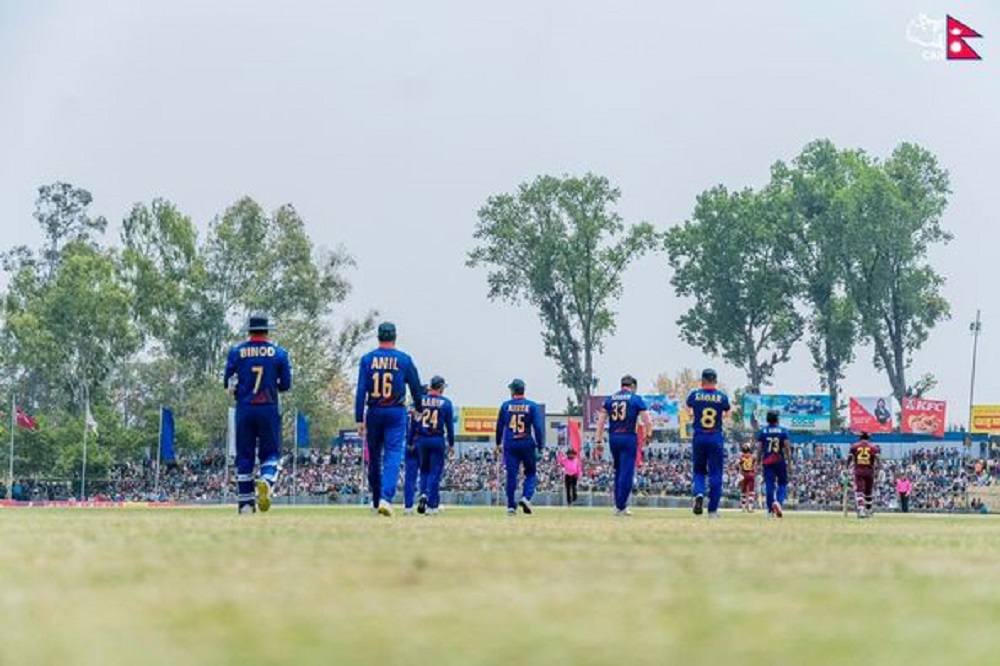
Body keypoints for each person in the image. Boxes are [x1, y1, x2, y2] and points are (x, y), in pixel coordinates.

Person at [223, 314, 292, 514]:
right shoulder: (279, 353)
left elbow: (227, 381)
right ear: (267, 331)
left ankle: (245, 504)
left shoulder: (236, 352)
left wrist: (238, 389)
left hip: (244, 408)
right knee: (271, 453)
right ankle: (267, 480)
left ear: (250, 331)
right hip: (268, 407)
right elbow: (286, 385)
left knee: (244, 456)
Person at [355, 322, 423, 517]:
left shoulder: (367, 359)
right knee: (393, 454)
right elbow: (416, 386)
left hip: (374, 410)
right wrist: (419, 407)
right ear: (395, 337)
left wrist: (359, 418)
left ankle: (376, 500)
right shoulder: (404, 359)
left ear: (378, 337)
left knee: (374, 457)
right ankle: (386, 498)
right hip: (395, 411)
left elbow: (361, 389)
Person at [596, 375, 653, 516]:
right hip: (628, 437)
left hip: (613, 437)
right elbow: (648, 420)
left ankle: (618, 504)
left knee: (618, 471)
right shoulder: (635, 399)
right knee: (627, 472)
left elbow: (601, 422)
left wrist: (598, 440)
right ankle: (621, 506)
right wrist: (648, 435)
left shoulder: (610, 399)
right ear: (632, 386)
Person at [686, 368, 731, 518]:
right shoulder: (722, 397)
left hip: (699, 436)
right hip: (715, 436)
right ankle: (712, 510)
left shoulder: (695, 395)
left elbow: (689, 410)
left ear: (702, 381)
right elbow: (727, 413)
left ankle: (699, 493)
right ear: (715, 381)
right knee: (715, 473)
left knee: (699, 470)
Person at [496, 379, 545, 515]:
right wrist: (540, 445)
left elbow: (499, 426)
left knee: (511, 475)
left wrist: (498, 443)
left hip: (510, 443)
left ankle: (511, 506)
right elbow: (538, 427)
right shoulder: (532, 406)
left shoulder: (505, 406)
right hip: (526, 441)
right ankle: (526, 497)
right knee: (530, 472)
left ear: (512, 390)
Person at [414, 375, 455, 515]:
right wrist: (451, 444)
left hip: (422, 438)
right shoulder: (446, 403)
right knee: (435, 472)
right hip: (437, 438)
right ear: (441, 387)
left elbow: (414, 420)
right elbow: (449, 426)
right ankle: (431, 505)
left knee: (424, 470)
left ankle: (423, 494)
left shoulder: (420, 400)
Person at [757, 410, 791, 518]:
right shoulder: (783, 431)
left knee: (769, 484)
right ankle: (778, 502)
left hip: (767, 460)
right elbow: (787, 448)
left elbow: (759, 449)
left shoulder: (763, 431)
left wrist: (757, 462)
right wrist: (789, 463)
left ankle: (769, 510)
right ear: (777, 419)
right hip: (779, 459)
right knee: (782, 483)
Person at [402, 387, 427, 515]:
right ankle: (424, 496)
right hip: (422, 441)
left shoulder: (408, 408)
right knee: (425, 473)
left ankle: (408, 506)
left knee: (410, 477)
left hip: (409, 443)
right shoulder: (425, 407)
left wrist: (409, 441)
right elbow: (416, 425)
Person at [848, 432, 880, 519]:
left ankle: (861, 510)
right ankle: (869, 510)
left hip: (859, 470)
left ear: (860, 438)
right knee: (868, 491)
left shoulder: (854, 446)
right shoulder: (873, 447)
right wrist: (878, 468)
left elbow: (849, 458)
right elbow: (878, 459)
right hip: (869, 471)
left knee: (860, 491)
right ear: (868, 438)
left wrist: (846, 467)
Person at [735, 443, 756, 512]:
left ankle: (743, 508)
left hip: (744, 474)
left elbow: (736, 464)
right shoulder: (753, 457)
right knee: (751, 492)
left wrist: (738, 471)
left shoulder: (741, 457)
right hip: (751, 474)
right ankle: (750, 507)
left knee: (743, 492)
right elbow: (754, 465)